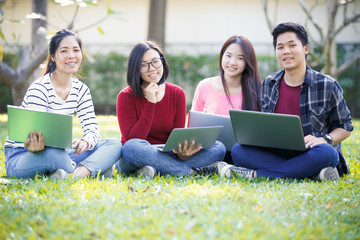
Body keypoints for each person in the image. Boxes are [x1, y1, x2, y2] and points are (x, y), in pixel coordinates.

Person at [226, 22, 353, 181]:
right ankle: (311, 173)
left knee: (328, 153)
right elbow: (266, 124)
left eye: (292, 45)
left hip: (313, 151)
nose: (286, 51)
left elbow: (345, 126)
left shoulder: (327, 84)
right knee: (239, 150)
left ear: (306, 48)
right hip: (279, 150)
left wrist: (324, 140)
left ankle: (259, 175)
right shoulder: (270, 83)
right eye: (280, 47)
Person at [4, 29, 122, 179]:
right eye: (64, 51)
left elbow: (92, 129)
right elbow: (32, 135)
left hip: (63, 153)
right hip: (24, 156)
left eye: (75, 50)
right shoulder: (40, 88)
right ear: (53, 56)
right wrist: (33, 144)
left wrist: (86, 141)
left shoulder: (81, 90)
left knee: (114, 144)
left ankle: (73, 173)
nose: (71, 56)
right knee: (54, 154)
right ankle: (92, 169)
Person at [116, 41, 227, 178]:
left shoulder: (177, 93)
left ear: (162, 62)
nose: (151, 68)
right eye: (143, 65)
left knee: (219, 147)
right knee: (130, 147)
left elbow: (177, 137)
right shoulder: (125, 96)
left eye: (155, 61)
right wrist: (151, 102)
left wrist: (183, 153)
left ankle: (155, 169)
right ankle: (188, 172)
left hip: (168, 153)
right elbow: (133, 139)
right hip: (138, 153)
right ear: (136, 69)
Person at [191, 35, 262, 164]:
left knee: (239, 151)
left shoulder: (256, 91)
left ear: (247, 63)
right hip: (211, 150)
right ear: (222, 56)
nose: (232, 62)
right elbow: (193, 128)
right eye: (228, 56)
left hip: (241, 151)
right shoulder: (205, 86)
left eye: (240, 58)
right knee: (217, 149)